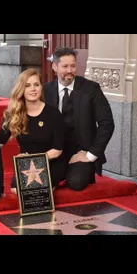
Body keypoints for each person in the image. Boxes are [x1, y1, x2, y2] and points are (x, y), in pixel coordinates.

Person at [43, 47, 115, 191]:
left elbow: (107, 123)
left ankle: (77, 171)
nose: (70, 70)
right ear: (54, 67)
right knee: (43, 182)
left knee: (76, 182)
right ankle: (61, 173)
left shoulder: (91, 89)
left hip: (81, 150)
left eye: (73, 65)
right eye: (65, 66)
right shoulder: (45, 90)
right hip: (55, 151)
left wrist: (90, 155)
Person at [0, 68, 66, 194]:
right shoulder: (13, 114)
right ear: (21, 89)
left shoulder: (53, 114)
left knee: (37, 190)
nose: (33, 89)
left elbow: (57, 150)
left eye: (36, 85)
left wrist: (33, 159)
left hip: (51, 162)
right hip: (26, 165)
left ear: (41, 88)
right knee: (17, 189)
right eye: (27, 86)